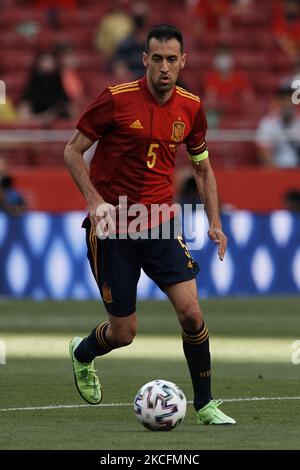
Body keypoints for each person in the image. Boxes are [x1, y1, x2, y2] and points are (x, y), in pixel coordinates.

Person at [64, 24, 236, 426]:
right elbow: (72, 152)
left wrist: (215, 221)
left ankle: (206, 404)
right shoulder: (115, 99)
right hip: (113, 228)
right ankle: (83, 352)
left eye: (171, 59)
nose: (164, 67)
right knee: (124, 333)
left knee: (192, 314)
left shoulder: (191, 107)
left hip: (160, 223)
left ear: (182, 62)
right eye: (156, 58)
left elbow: (202, 168)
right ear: (145, 60)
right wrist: (95, 200)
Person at [256, 84, 300, 167]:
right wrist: (276, 173)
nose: (288, 104)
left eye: (291, 100)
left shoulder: (299, 121)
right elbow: (264, 151)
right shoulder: (268, 123)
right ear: (279, 102)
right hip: (278, 170)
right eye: (285, 100)